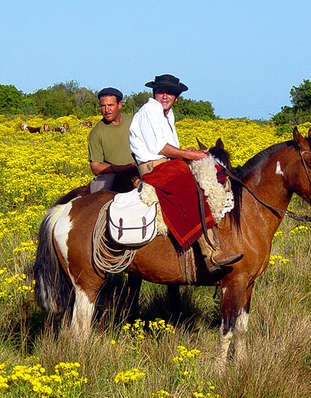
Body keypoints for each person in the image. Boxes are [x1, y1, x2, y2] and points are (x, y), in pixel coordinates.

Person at [129, 74, 242, 273]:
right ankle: (209, 252)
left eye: (170, 93)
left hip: (166, 163)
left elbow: (171, 148)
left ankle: (222, 236)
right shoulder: (150, 110)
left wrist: (189, 152)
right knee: (188, 182)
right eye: (162, 91)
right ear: (155, 92)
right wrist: (191, 156)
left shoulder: (166, 115)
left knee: (214, 172)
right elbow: (161, 148)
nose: (165, 96)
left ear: (176, 97)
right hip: (152, 167)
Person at [87, 87, 137, 192]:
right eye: (103, 106)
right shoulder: (96, 133)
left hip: (138, 170)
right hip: (111, 175)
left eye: (110, 105)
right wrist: (124, 168)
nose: (106, 110)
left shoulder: (134, 122)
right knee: (97, 199)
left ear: (119, 105)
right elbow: (95, 167)